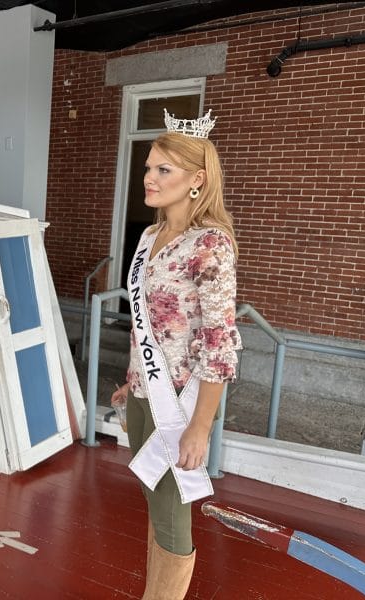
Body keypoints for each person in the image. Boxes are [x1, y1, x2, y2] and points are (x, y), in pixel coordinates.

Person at [111, 109, 241, 599]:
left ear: (197, 179)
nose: (149, 178)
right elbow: (148, 323)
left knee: (171, 512)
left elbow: (219, 344)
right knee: (154, 498)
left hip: (182, 403)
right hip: (143, 391)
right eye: (148, 168)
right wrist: (131, 380)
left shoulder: (210, 244)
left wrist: (201, 427)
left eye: (163, 169)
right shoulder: (150, 237)